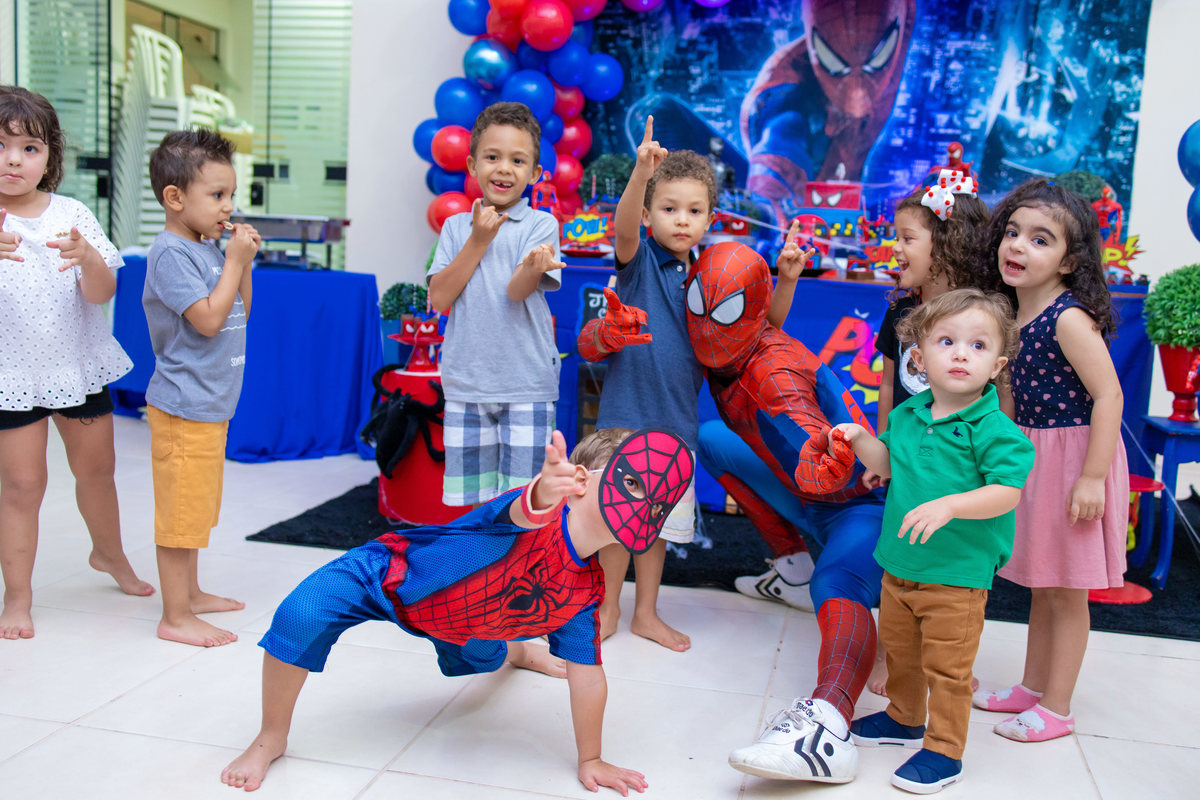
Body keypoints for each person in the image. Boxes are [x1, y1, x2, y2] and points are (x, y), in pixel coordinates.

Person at [219, 427, 695, 795]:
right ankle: (270, 736)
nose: (645, 500)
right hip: (390, 577)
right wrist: (545, 490)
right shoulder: (538, 513)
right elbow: (525, 509)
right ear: (580, 481)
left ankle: (516, 653)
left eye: (655, 495)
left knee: (486, 658)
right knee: (300, 615)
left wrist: (590, 759)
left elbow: (587, 676)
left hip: (467, 623)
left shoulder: (586, 592)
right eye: (631, 480)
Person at [684, 241, 885, 784]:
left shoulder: (772, 371)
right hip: (803, 491)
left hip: (857, 504)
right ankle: (792, 567)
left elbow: (807, 421)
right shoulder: (732, 342)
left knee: (837, 586)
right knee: (713, 440)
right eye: (701, 303)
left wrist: (825, 462)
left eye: (723, 309)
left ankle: (828, 726)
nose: (708, 322)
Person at [832, 289, 1034, 794]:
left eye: (978, 346)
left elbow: (1006, 492)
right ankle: (904, 718)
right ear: (918, 359)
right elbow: (887, 468)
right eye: (947, 341)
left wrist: (951, 505)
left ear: (997, 365)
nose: (962, 353)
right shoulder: (906, 415)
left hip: (956, 575)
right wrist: (861, 442)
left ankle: (945, 751)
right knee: (901, 652)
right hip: (900, 565)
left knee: (948, 668)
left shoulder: (995, 429)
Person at [971, 178, 1128, 743]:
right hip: (1037, 456)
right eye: (1012, 233)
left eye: (1040, 240)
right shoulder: (1013, 316)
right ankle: (1032, 687)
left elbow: (1109, 396)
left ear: (1069, 262)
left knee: (1068, 591)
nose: (1017, 246)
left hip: (1075, 458)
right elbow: (1011, 402)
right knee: (1044, 582)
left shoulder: (1068, 319)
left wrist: (1091, 477)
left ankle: (1058, 707)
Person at [0, 86, 154, 639]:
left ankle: (108, 554)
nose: (13, 159)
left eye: (29, 148)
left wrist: (89, 258)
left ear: (50, 158)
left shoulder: (72, 213)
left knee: (98, 472)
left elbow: (100, 294)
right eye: (0, 145)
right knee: (22, 486)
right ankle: (17, 595)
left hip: (77, 366)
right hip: (10, 378)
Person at [575, 117, 715, 652]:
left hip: (676, 423)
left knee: (653, 526)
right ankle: (609, 605)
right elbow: (624, 229)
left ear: (708, 218)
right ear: (653, 211)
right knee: (615, 520)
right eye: (669, 208)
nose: (681, 220)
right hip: (623, 418)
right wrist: (639, 175)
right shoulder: (639, 266)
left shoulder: (708, 275)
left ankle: (647, 613)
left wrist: (789, 278)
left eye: (694, 211)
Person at [867, 173, 989, 695]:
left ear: (945, 242)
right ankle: (893, 662)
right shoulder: (900, 308)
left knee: (951, 574)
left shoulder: (979, 314)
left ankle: (951, 656)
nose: (896, 247)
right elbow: (891, 382)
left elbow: (997, 400)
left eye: (907, 237)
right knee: (897, 563)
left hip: (957, 469)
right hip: (908, 464)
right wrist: (882, 452)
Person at [143, 128, 261, 647]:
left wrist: (244, 265)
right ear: (175, 198)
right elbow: (208, 322)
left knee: (196, 508)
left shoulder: (209, 249)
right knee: (179, 514)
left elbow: (239, 312)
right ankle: (175, 616)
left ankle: (189, 593)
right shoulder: (171, 254)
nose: (227, 207)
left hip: (211, 404)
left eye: (230, 195)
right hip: (184, 405)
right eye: (216, 195)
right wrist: (233, 261)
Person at [427, 101, 563, 511]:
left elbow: (517, 292)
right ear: (472, 165)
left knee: (522, 505)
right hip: (467, 385)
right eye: (492, 157)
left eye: (517, 160)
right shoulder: (455, 227)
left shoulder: (542, 225)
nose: (504, 169)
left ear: (535, 173)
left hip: (527, 386)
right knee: (471, 508)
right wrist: (478, 240)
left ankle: (516, 577)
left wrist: (534, 267)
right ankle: (477, 574)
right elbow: (440, 298)